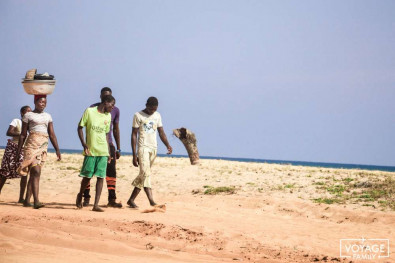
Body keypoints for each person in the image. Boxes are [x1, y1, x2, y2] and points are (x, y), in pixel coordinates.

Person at [127, 97, 172, 208]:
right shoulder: (138, 115)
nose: (152, 111)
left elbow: (161, 132)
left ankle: (131, 200)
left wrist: (168, 145)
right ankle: (151, 201)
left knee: (144, 174)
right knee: (146, 173)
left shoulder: (157, 115)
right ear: (146, 105)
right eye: (151, 109)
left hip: (153, 148)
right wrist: (134, 154)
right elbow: (134, 135)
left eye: (154, 109)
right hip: (143, 148)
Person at [17, 95, 61, 209]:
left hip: (42, 146)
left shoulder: (48, 116)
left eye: (45, 102)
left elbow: (52, 134)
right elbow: (23, 134)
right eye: (41, 102)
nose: (43, 104)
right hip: (31, 145)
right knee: (35, 171)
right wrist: (18, 151)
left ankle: (28, 200)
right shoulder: (28, 115)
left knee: (35, 172)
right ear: (35, 102)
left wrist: (57, 150)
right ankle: (36, 201)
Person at [83, 87, 122, 208]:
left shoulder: (115, 111)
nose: (106, 99)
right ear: (101, 98)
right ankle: (86, 197)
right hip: (93, 146)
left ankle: (112, 199)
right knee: (89, 171)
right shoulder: (92, 108)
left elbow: (115, 129)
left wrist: (118, 148)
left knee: (111, 172)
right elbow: (86, 126)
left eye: (108, 97)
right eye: (104, 97)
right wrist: (87, 144)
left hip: (108, 145)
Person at [76, 94, 115, 212]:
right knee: (87, 177)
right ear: (106, 102)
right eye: (112, 105)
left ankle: (96, 205)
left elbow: (107, 135)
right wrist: (83, 143)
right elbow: (80, 127)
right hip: (91, 151)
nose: (113, 107)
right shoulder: (89, 111)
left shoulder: (108, 116)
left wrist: (108, 152)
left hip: (103, 151)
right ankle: (80, 195)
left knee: (101, 177)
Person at [0, 106, 32, 202]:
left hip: (25, 149)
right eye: (27, 111)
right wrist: (21, 135)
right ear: (22, 113)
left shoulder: (31, 125)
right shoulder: (16, 121)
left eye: (30, 112)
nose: (29, 113)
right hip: (13, 148)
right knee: (5, 172)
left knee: (24, 173)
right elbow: (9, 132)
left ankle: (21, 198)